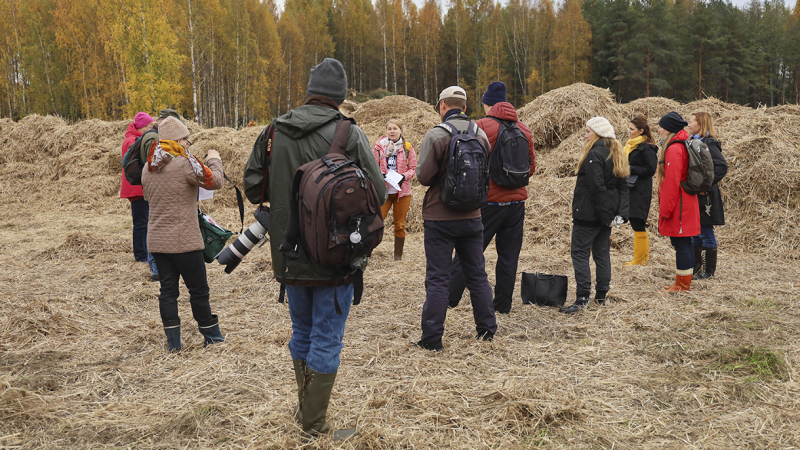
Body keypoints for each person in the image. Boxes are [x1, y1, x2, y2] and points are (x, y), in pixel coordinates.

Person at [248, 58, 385, 442]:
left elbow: (251, 183)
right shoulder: (348, 132)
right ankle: (314, 426)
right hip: (336, 253)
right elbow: (377, 188)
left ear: (309, 89)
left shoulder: (275, 130)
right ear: (340, 96)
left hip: (288, 252)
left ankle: (305, 409)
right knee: (326, 337)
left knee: (302, 332)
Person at [415, 85, 497, 350]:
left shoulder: (436, 135)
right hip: (473, 216)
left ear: (442, 106)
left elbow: (424, 177)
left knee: (438, 278)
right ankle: (487, 330)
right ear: (464, 106)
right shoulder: (481, 135)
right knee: (477, 274)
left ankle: (432, 339)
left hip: (440, 218)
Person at [447, 81, 536, 314]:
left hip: (489, 203)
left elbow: (470, 163)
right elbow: (532, 168)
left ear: (487, 105)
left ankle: (449, 297)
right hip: (517, 203)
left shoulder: (480, 126)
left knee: (470, 251)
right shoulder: (524, 129)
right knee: (509, 256)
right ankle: (503, 305)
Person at [141, 117, 226, 351]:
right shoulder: (185, 163)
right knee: (198, 290)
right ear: (178, 140)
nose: (188, 144)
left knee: (168, 291)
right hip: (185, 241)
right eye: (187, 140)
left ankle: (173, 344)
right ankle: (212, 336)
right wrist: (214, 160)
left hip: (157, 240)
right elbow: (215, 181)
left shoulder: (148, 167)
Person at [560, 117, 630, 314]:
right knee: (601, 254)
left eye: (588, 131)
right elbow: (624, 186)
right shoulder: (615, 151)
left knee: (580, 253)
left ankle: (582, 297)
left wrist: (605, 215)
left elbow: (596, 187)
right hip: (605, 214)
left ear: (598, 133)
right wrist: (619, 213)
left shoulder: (595, 154)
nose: (585, 134)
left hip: (591, 214)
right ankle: (601, 296)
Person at [656, 111, 700, 292]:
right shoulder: (682, 143)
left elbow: (672, 182)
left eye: (661, 126)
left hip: (679, 205)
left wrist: (665, 210)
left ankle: (682, 285)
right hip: (685, 202)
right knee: (684, 243)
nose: (658, 130)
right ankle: (683, 282)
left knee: (681, 244)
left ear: (669, 129)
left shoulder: (674, 148)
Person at [687, 112, 727, 279]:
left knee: (706, 231)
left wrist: (706, 185)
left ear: (700, 125)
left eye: (691, 122)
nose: (688, 124)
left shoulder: (709, 144)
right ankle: (696, 269)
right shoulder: (694, 142)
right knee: (695, 231)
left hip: (706, 196)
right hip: (698, 194)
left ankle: (708, 272)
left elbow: (721, 167)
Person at [372, 119, 417, 261]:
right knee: (377, 221)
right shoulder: (379, 148)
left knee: (400, 224)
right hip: (383, 191)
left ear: (400, 130)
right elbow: (372, 166)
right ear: (386, 131)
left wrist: (404, 177)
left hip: (402, 192)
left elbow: (414, 169)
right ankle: (367, 250)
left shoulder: (408, 148)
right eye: (389, 129)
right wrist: (381, 175)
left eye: (395, 128)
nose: (392, 131)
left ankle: (398, 255)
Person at [120, 111, 158, 281]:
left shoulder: (134, 138)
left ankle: (142, 253)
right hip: (137, 188)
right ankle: (141, 255)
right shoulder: (132, 140)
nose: (151, 129)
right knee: (142, 223)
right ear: (142, 127)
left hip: (138, 187)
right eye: (149, 126)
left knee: (143, 221)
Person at [622, 115, 658, 266]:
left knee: (638, 221)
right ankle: (641, 257)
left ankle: (640, 259)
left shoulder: (647, 147)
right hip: (631, 188)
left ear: (641, 131)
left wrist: (629, 168)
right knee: (634, 221)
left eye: (632, 129)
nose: (629, 132)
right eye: (629, 128)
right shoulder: (632, 145)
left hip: (640, 189)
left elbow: (650, 170)